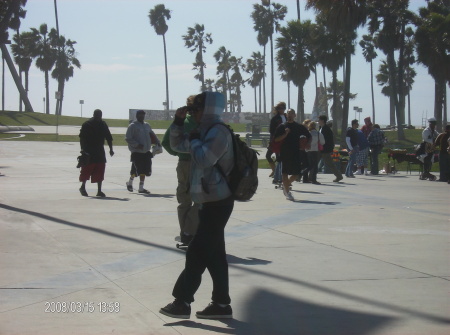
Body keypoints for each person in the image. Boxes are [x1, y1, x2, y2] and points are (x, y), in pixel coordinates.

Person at [160, 91, 235, 319]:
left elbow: (204, 158)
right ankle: (221, 305)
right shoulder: (204, 131)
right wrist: (178, 123)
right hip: (208, 200)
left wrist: (193, 140)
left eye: (195, 110)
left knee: (196, 252)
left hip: (219, 201)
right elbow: (176, 146)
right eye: (190, 111)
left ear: (209, 109)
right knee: (215, 257)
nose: (193, 114)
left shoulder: (219, 132)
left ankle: (182, 301)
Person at [161, 95, 199, 245]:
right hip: (192, 164)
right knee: (192, 200)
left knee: (191, 200)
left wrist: (179, 153)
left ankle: (187, 232)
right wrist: (180, 152)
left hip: (192, 164)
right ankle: (187, 232)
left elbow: (166, 142)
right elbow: (166, 142)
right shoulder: (189, 123)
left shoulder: (193, 123)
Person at [274, 108, 311, 201]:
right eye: (288, 113)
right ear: (286, 115)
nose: (290, 115)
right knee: (284, 173)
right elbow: (276, 139)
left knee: (296, 174)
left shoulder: (299, 126)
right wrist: (285, 134)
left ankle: (285, 184)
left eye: (292, 113)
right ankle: (287, 192)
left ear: (295, 115)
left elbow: (309, 136)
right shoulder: (282, 126)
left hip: (295, 152)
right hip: (284, 152)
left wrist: (308, 143)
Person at [78, 109, 114, 197]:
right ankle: (83, 187)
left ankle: (99, 190)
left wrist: (111, 149)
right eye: (97, 115)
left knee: (100, 169)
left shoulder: (103, 124)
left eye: (100, 115)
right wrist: (82, 149)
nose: (99, 117)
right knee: (87, 169)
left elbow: (108, 137)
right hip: (89, 150)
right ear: (94, 115)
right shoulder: (87, 124)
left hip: (99, 150)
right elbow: (82, 138)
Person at [125, 110, 161, 194]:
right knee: (137, 170)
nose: (142, 117)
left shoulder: (147, 125)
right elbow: (128, 138)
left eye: (143, 115)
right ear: (137, 116)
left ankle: (140, 188)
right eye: (140, 115)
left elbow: (152, 134)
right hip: (136, 152)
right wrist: (136, 145)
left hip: (146, 152)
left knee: (144, 170)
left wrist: (157, 142)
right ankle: (130, 182)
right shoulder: (132, 126)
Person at [318, 115, 343, 182]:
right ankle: (339, 176)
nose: (318, 121)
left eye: (319, 120)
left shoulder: (326, 129)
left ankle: (339, 176)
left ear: (322, 120)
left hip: (324, 150)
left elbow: (328, 140)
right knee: (314, 163)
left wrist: (329, 149)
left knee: (329, 164)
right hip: (322, 149)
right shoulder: (322, 128)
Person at [266, 102, 286, 178]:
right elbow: (271, 130)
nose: (281, 110)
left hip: (284, 140)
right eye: (279, 108)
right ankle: (274, 170)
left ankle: (277, 173)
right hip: (275, 140)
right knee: (268, 155)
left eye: (283, 108)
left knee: (279, 158)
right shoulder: (275, 118)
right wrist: (272, 140)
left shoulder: (286, 117)